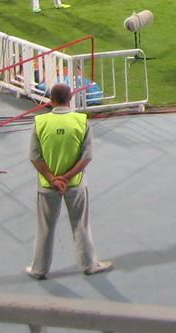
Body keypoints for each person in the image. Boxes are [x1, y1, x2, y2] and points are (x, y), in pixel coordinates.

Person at [26, 81, 112, 279]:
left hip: (47, 186)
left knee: (45, 227)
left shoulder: (40, 122)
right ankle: (90, 265)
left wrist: (52, 178)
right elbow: (87, 156)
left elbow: (34, 156)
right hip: (75, 184)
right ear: (71, 99)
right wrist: (67, 177)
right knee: (80, 224)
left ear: (51, 100)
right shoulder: (81, 121)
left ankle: (39, 269)